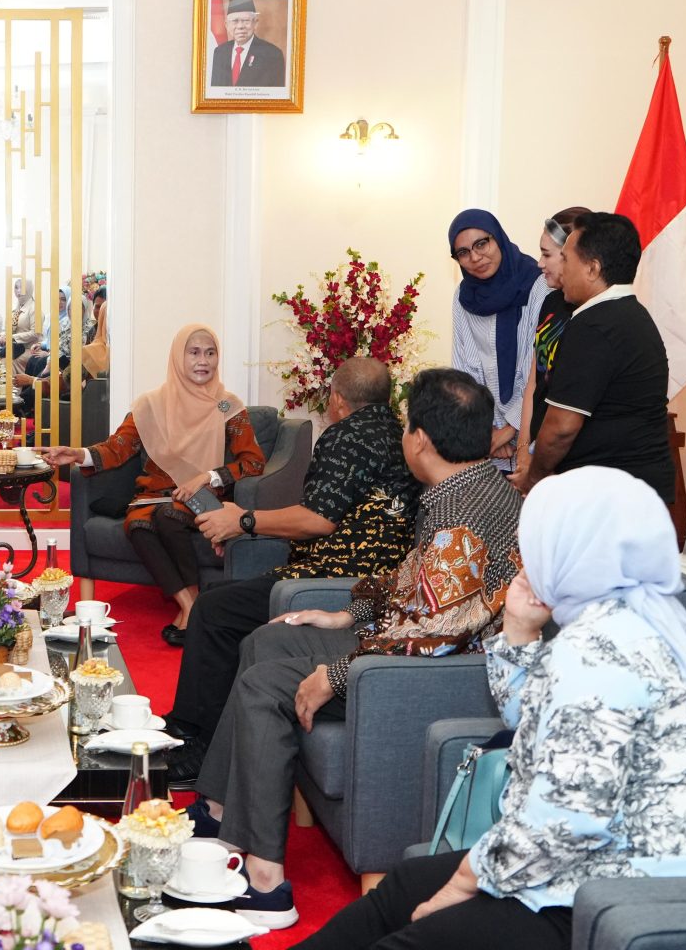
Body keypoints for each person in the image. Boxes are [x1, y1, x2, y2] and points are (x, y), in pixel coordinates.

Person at [297, 467, 686, 950]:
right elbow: (535, 727)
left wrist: (464, 882)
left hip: (632, 899)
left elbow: (566, 822)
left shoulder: (598, 650)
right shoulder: (637, 618)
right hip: (612, 864)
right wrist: (519, 628)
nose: (525, 552)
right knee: (407, 885)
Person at [186, 368, 522, 930]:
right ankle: (222, 810)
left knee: (266, 683)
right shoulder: (470, 487)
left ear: (420, 439)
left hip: (419, 672)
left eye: (407, 426)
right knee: (267, 638)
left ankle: (266, 883)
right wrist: (346, 613)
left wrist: (336, 674)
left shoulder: (458, 519)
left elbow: (433, 635)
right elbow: (413, 583)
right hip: (399, 639)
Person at [165, 357, 420, 762]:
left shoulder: (346, 436)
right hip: (373, 579)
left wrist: (244, 520)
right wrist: (238, 524)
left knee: (213, 609)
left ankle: (195, 742)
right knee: (221, 599)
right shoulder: (397, 435)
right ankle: (205, 731)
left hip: (334, 580)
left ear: (337, 399)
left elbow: (317, 520)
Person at [40, 325, 265, 643]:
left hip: (202, 496)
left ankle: (192, 607)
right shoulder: (151, 404)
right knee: (138, 524)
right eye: (194, 352)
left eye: (210, 353)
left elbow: (253, 462)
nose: (203, 361)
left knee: (168, 516)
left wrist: (208, 475)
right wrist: (78, 454)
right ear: (177, 357)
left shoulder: (225, 405)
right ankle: (191, 606)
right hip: (153, 495)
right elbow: (118, 447)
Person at [511, 212, 674, 502]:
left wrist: (533, 480)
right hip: (631, 490)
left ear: (592, 268)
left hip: (612, 497)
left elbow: (561, 428)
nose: (561, 269)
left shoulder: (594, 325)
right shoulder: (631, 313)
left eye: (566, 259)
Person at [448, 208, 551, 471]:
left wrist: (511, 429)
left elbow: (536, 367)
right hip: (489, 441)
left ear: (498, 237)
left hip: (532, 431)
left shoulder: (538, 284)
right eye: (463, 252)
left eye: (481, 244)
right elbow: (465, 370)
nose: (475, 257)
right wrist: (487, 430)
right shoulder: (464, 297)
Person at [515, 207, 590, 478]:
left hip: (571, 462)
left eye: (547, 254)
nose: (539, 263)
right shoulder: (550, 302)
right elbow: (534, 382)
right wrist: (523, 451)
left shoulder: (594, 315)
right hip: (537, 454)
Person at [209, 0, 286, 88]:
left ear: (255, 23)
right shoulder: (219, 52)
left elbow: (276, 94)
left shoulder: (272, 55)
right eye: (235, 21)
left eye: (246, 21)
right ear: (226, 25)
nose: (240, 26)